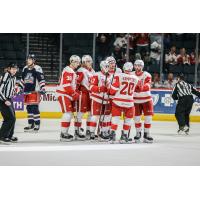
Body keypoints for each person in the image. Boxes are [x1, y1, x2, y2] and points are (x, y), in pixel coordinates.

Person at [109, 62, 139, 143]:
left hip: (118, 101)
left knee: (115, 118)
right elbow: (139, 89)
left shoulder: (119, 76)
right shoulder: (136, 78)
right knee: (128, 120)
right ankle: (124, 136)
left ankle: (112, 135)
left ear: (123, 68)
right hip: (129, 102)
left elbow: (112, 91)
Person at [56, 55, 81, 141]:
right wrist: (74, 94)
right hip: (64, 94)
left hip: (66, 94)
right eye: (76, 62)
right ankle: (63, 134)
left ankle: (65, 133)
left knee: (69, 114)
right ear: (72, 62)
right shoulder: (68, 71)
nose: (78, 64)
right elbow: (66, 85)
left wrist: (74, 93)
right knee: (67, 113)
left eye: (78, 62)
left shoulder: (71, 71)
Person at [20, 54, 46, 133]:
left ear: (34, 60)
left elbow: (41, 79)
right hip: (26, 92)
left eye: (30, 59)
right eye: (28, 59)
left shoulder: (37, 68)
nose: (28, 60)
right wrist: (20, 88)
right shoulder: (25, 68)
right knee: (29, 108)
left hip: (35, 91)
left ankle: (37, 124)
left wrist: (42, 88)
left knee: (34, 108)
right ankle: (30, 124)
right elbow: (22, 79)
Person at [89, 60, 111, 140]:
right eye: (105, 66)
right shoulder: (96, 75)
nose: (107, 68)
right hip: (97, 99)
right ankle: (91, 132)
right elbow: (91, 87)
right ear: (101, 67)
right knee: (95, 116)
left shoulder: (111, 76)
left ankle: (103, 132)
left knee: (105, 117)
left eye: (108, 66)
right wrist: (100, 89)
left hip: (107, 100)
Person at [132, 59, 154, 143]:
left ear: (142, 66)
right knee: (136, 118)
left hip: (147, 99)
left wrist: (140, 88)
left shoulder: (147, 75)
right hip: (135, 100)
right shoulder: (131, 74)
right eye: (136, 65)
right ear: (134, 66)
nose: (138, 67)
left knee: (148, 118)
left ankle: (146, 133)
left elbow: (148, 86)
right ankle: (138, 133)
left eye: (139, 65)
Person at [75, 55, 95, 140]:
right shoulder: (81, 70)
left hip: (91, 94)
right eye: (87, 61)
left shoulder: (93, 71)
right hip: (83, 93)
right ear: (83, 62)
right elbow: (77, 83)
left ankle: (88, 130)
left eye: (90, 61)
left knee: (91, 113)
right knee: (80, 113)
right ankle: (77, 131)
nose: (89, 63)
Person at [0, 63, 19, 143]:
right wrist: (5, 100)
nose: (14, 70)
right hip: (2, 100)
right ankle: (2, 136)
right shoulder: (6, 75)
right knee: (9, 118)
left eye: (16, 69)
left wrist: (14, 92)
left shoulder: (14, 77)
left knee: (13, 118)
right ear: (9, 69)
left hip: (8, 99)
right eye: (13, 69)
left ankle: (9, 136)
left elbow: (11, 88)